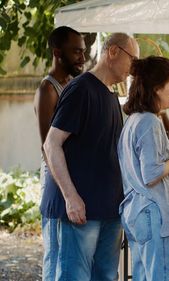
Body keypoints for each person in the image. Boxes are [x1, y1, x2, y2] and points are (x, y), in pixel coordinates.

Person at [42, 33, 139, 280]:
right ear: (113, 51)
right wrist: (71, 196)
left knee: (106, 276)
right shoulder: (81, 89)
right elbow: (52, 144)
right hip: (80, 210)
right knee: (74, 276)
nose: (134, 68)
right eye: (133, 60)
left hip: (109, 210)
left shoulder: (110, 95)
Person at [118, 56, 169, 281]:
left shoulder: (133, 120)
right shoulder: (149, 122)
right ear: (156, 89)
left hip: (137, 212)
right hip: (154, 214)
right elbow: (152, 173)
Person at [33, 25, 85, 281]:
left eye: (83, 51)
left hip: (73, 179)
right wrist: (64, 191)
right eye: (76, 52)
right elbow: (48, 147)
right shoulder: (48, 89)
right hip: (56, 181)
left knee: (69, 255)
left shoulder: (75, 84)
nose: (82, 58)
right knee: (54, 253)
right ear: (57, 52)